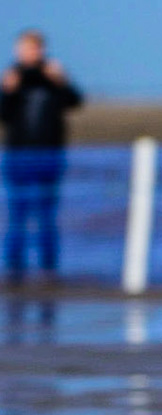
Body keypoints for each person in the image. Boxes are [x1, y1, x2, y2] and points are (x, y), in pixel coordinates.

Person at [0, 29, 82, 283]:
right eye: (25, 48)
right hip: (18, 156)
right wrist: (8, 91)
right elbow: (3, 114)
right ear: (18, 51)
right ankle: (13, 268)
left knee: (47, 213)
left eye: (34, 48)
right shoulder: (13, 77)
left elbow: (75, 101)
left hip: (49, 156)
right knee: (17, 214)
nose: (30, 53)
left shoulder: (51, 76)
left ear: (42, 50)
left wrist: (61, 80)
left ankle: (48, 267)